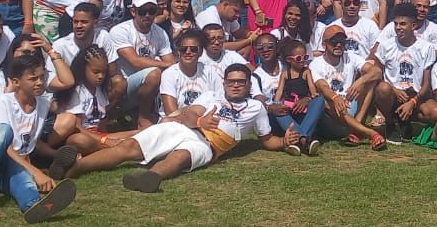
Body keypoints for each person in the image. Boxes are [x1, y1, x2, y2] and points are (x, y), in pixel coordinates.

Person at [60, 63, 282, 193]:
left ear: (248, 85)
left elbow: (268, 139)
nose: (235, 85)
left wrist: (285, 142)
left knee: (181, 157)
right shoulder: (211, 96)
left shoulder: (256, 108)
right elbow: (189, 114)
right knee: (128, 147)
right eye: (231, 81)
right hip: (183, 128)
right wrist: (200, 122)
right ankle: (74, 168)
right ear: (224, 82)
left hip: (208, 145)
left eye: (241, 82)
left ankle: (150, 178)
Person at [0, 54, 78, 224]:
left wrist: (52, 156)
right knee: (4, 131)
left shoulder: (43, 104)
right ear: (16, 82)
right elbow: (4, 146)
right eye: (33, 79)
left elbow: (29, 142)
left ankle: (34, 205)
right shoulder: (2, 102)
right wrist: (35, 172)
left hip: (9, 167)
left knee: (23, 180)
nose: (40, 82)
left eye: (42, 77)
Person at [371, 5, 437, 143]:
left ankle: (405, 121)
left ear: (413, 26)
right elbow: (376, 74)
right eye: (396, 24)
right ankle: (390, 123)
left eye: (403, 24)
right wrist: (394, 90)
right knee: (382, 89)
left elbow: (426, 84)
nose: (398, 27)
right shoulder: (386, 45)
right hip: (392, 94)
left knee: (435, 112)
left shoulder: (426, 48)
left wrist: (413, 102)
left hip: (415, 95)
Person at [310, 24, 385, 149]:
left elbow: (377, 72)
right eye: (334, 41)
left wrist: (360, 81)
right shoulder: (316, 64)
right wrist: (335, 98)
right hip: (332, 115)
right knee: (324, 100)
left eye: (342, 41)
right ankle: (370, 133)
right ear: (324, 44)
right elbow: (323, 87)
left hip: (350, 104)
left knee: (370, 81)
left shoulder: (351, 57)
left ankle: (355, 131)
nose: (339, 45)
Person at [49, 44, 132, 155]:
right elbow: (77, 127)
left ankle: (114, 147)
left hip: (97, 135)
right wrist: (104, 141)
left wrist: (107, 138)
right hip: (81, 135)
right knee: (79, 141)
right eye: (95, 72)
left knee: (138, 133)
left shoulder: (100, 90)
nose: (100, 76)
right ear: (84, 69)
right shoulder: (77, 91)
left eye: (103, 72)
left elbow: (102, 124)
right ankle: (110, 149)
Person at [109, 0, 174, 128]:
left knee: (162, 73)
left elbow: (171, 62)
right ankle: (142, 116)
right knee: (155, 73)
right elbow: (135, 62)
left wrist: (166, 64)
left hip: (147, 85)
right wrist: (164, 64)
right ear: (133, 11)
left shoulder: (160, 32)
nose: (147, 15)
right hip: (124, 85)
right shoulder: (120, 30)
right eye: (143, 11)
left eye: (152, 11)